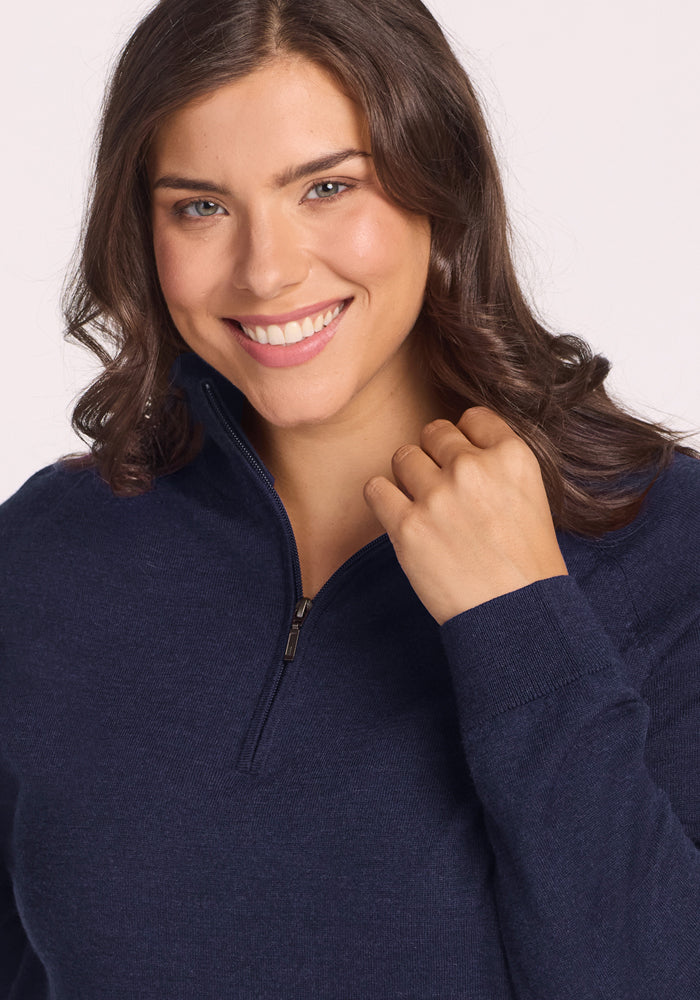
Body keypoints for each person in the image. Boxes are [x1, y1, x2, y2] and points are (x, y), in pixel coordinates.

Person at [1, 0, 698, 996]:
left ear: (438, 189)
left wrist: (522, 621)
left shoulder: (664, 549)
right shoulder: (46, 557)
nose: (268, 269)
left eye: (326, 187)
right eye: (199, 205)